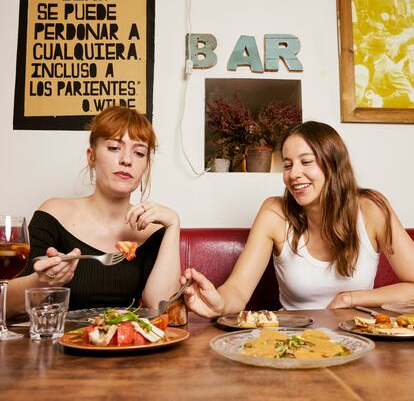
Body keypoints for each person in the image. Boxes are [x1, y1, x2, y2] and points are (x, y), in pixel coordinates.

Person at [182, 121, 414, 316]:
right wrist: (218, 304)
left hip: (357, 339)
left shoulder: (372, 209)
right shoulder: (274, 212)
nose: (293, 174)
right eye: (287, 164)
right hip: (292, 341)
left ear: (333, 164)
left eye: (306, 162)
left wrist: (351, 298)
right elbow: (238, 290)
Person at [7, 106, 181, 317]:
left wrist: (173, 224)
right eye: (115, 148)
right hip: (57, 344)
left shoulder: (152, 230)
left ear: (145, 165)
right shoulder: (52, 213)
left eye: (139, 152)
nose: (127, 160)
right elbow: (6, 304)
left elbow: (161, 307)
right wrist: (42, 281)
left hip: (125, 344)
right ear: (92, 156)